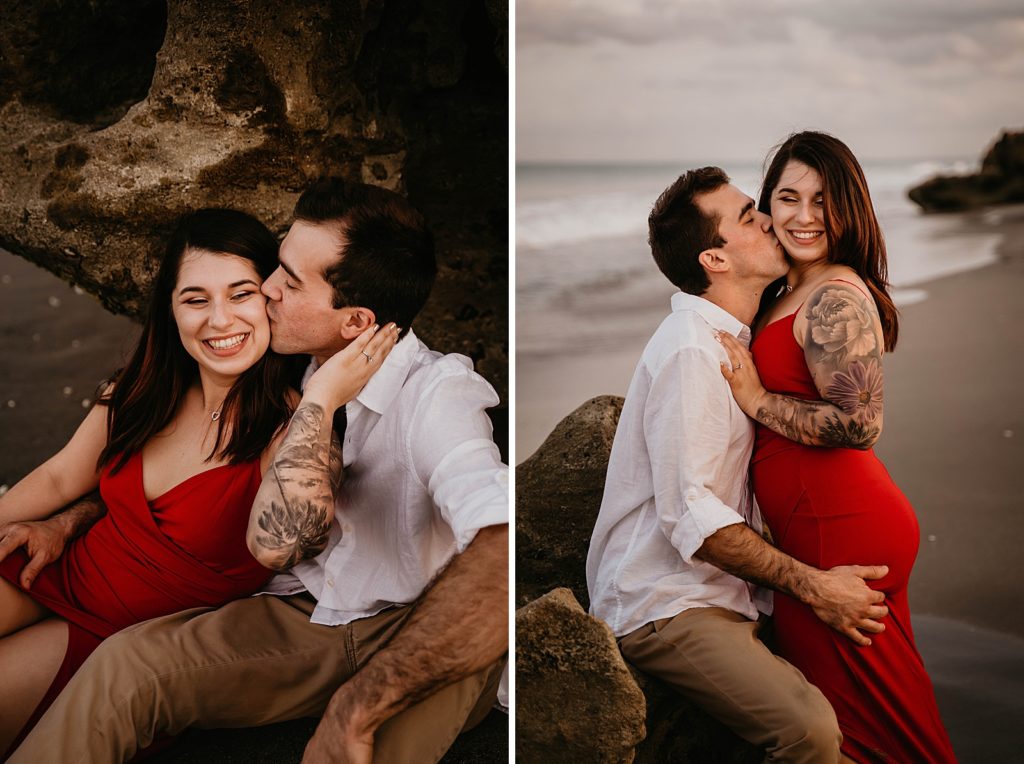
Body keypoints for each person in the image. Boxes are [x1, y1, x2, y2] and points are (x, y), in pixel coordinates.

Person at [9, 179, 509, 764]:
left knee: (125, 669)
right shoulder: (283, 354)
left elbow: (496, 540)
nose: (266, 289)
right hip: (280, 597)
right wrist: (72, 517)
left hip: (368, 616)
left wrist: (320, 403)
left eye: (288, 280)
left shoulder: (436, 399)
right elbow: (169, 463)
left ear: (355, 322)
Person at [586, 166, 894, 763]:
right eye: (749, 218)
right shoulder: (692, 350)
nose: (769, 221)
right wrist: (812, 586)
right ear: (716, 260)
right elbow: (690, 515)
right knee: (808, 731)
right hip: (669, 603)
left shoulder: (735, 338)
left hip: (729, 592)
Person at [716, 131, 956, 762]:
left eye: (822, 201)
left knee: (861, 734)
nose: (803, 217)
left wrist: (758, 401)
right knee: (885, 721)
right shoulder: (787, 290)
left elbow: (860, 422)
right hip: (822, 528)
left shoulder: (832, 296)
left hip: (839, 533)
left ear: (848, 208)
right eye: (787, 198)